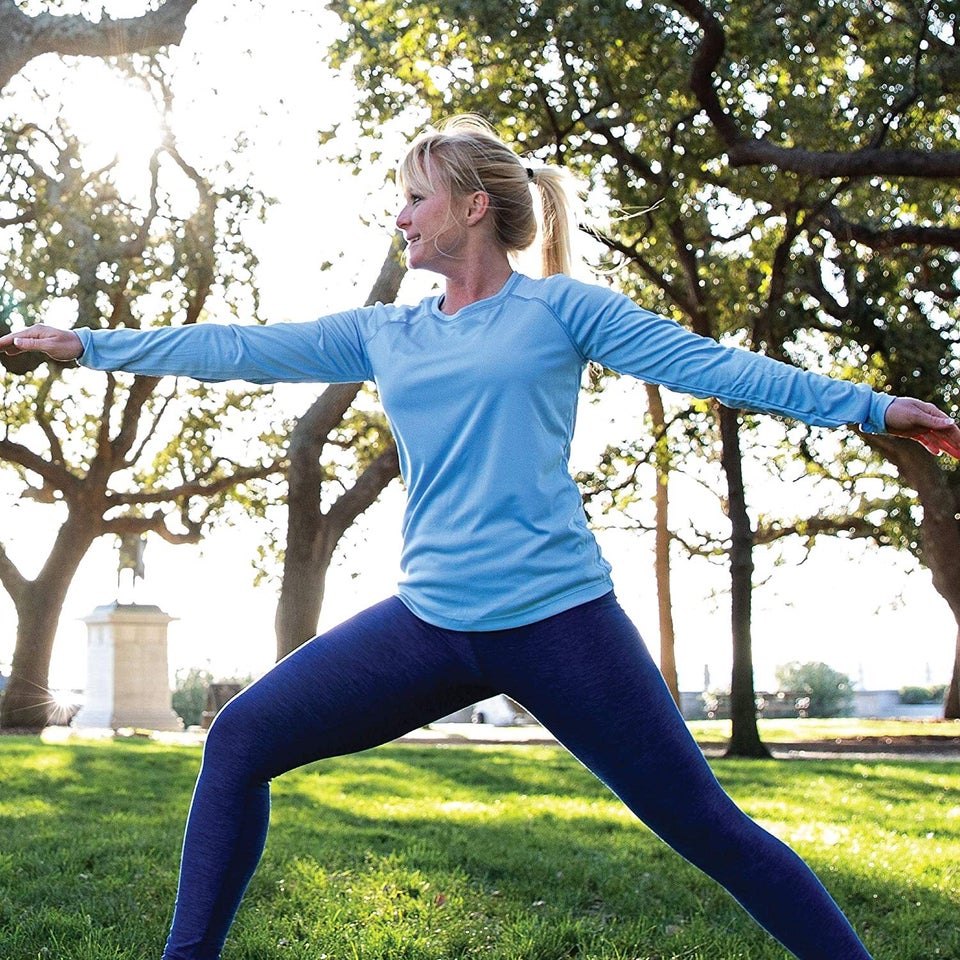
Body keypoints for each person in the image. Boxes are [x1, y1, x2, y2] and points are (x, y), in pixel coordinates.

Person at [3, 115, 958, 960]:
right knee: (242, 737)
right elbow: (242, 348)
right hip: (429, 623)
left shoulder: (559, 310)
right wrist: (92, 345)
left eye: (415, 199)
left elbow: (714, 366)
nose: (402, 218)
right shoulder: (389, 333)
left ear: (470, 205)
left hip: (560, 621)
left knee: (707, 825)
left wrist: (873, 407)